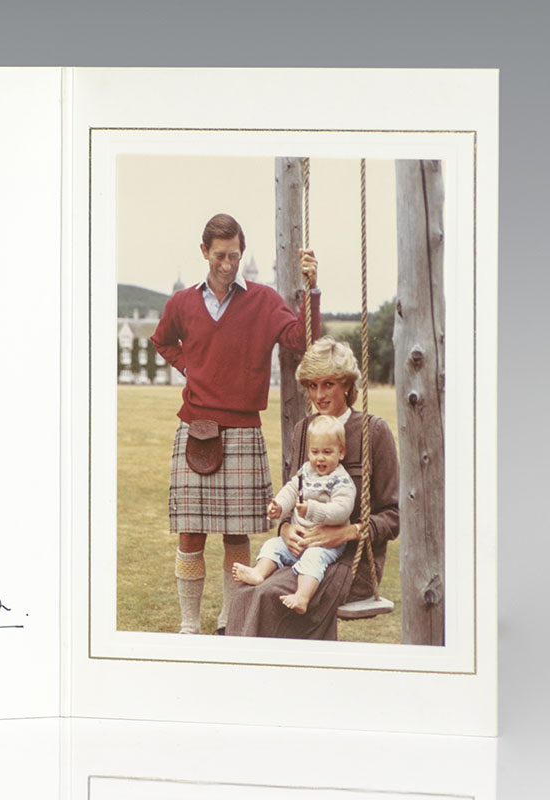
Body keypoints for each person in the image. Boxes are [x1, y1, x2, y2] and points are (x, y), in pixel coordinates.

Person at [150, 213, 320, 634]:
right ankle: (190, 626)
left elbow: (300, 340)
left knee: (236, 537)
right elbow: (161, 340)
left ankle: (229, 622)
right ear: (204, 252)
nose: (227, 264)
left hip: (244, 431)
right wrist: (188, 365)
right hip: (194, 428)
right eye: (220, 256)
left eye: (235, 256)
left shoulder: (263, 300)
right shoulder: (182, 303)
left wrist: (311, 289)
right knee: (190, 535)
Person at [225, 336, 400, 640]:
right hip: (300, 551)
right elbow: (295, 493)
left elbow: (393, 517)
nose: (319, 395)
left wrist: (346, 532)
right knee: (244, 593)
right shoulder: (303, 430)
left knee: (270, 595)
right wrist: (284, 530)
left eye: (328, 384)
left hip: (348, 562)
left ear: (346, 384)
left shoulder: (374, 432)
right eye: (312, 386)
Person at [232, 414, 355, 615]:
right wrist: (279, 506)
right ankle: (258, 573)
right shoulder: (306, 471)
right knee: (273, 545)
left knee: (313, 559)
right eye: (315, 452)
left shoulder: (340, 480)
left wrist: (312, 509)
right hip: (298, 540)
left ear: (341, 453)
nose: (320, 458)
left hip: (325, 544)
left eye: (327, 452)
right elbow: (291, 490)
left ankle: (302, 597)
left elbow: (342, 510)